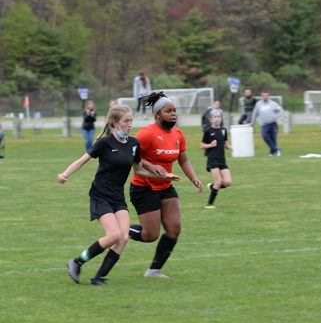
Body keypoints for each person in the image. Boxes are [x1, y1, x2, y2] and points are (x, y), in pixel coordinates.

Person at [57, 104, 177, 285]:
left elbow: (139, 170)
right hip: (100, 195)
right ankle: (76, 262)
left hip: (118, 197)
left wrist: (164, 176)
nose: (130, 125)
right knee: (113, 235)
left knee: (123, 237)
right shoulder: (104, 143)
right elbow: (81, 161)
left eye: (131, 121)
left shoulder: (134, 144)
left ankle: (98, 277)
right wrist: (65, 174)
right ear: (115, 123)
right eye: (126, 121)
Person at [128, 90, 203, 278]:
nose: (173, 114)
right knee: (150, 235)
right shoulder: (146, 134)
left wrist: (194, 178)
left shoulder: (178, 134)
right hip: (144, 188)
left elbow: (183, 160)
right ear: (157, 115)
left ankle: (154, 270)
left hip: (166, 186)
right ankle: (119, 229)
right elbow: (129, 155)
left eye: (174, 110)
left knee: (174, 228)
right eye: (168, 111)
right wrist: (150, 165)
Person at [201, 109, 233, 209]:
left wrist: (228, 146)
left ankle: (212, 187)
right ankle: (209, 204)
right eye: (215, 117)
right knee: (218, 182)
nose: (217, 118)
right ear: (210, 119)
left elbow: (224, 142)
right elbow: (202, 145)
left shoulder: (223, 130)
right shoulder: (208, 131)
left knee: (228, 182)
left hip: (222, 160)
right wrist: (210, 145)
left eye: (218, 117)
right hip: (212, 160)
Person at [250, 91, 284, 156]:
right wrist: (252, 122)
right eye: (263, 96)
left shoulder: (273, 103)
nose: (265, 97)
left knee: (273, 139)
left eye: (266, 96)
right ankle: (277, 149)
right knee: (265, 136)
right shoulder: (258, 104)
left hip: (273, 123)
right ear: (261, 96)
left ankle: (272, 152)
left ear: (268, 96)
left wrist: (277, 117)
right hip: (265, 124)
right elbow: (254, 113)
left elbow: (281, 110)